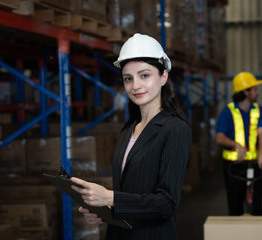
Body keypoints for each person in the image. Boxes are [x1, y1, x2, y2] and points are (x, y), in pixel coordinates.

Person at [71, 33, 191, 239]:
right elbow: (132, 193)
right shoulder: (130, 129)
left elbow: (166, 204)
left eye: (144, 75)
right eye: (128, 78)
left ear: (164, 76)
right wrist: (104, 210)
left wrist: (110, 197)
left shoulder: (174, 129)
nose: (135, 85)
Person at [215, 72, 262, 216]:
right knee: (235, 207)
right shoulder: (227, 112)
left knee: (256, 207)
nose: (257, 93)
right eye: (254, 89)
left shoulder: (259, 110)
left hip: (253, 164)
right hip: (233, 167)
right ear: (246, 92)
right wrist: (237, 145)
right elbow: (220, 138)